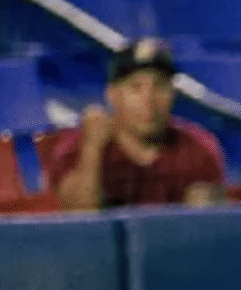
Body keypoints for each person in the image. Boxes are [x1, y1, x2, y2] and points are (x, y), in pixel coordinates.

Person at [50, 38, 226, 211]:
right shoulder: (77, 148)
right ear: (112, 95)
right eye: (135, 87)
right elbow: (78, 218)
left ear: (173, 95)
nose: (148, 100)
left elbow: (206, 230)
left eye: (159, 86)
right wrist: (92, 150)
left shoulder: (197, 150)